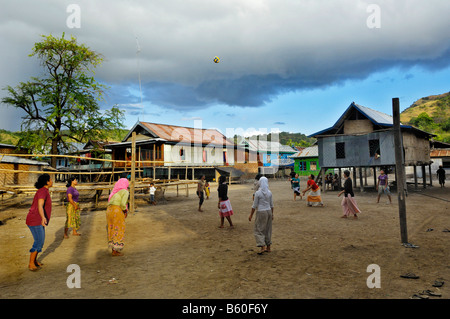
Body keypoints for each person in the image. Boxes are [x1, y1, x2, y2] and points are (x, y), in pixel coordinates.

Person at [26, 173, 53, 271]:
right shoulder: (42, 191)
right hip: (35, 220)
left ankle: (34, 261)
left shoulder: (44, 191)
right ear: (47, 182)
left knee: (40, 241)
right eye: (50, 180)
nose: (52, 181)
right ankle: (30, 263)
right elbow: (40, 205)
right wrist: (43, 218)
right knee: (38, 241)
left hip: (37, 219)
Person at [249, 177, 274, 255]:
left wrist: (251, 215)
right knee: (268, 229)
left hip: (261, 212)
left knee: (259, 229)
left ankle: (262, 246)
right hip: (269, 211)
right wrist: (272, 214)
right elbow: (272, 205)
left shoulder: (258, 193)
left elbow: (254, 205)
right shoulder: (269, 192)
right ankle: (268, 247)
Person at [106, 178, 130, 256]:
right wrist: (125, 211)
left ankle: (113, 249)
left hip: (109, 210)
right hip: (117, 210)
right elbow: (123, 204)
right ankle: (116, 250)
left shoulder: (114, 192)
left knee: (112, 228)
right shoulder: (125, 191)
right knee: (119, 228)